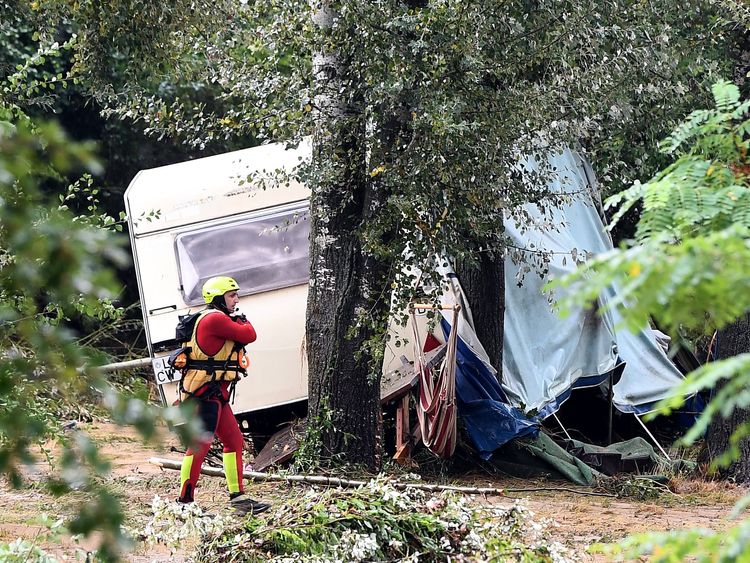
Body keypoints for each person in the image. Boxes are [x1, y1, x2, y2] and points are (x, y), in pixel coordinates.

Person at [177, 276, 270, 515]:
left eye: (236, 295)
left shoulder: (218, 317)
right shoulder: (215, 319)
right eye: (232, 295)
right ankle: (185, 502)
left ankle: (238, 497)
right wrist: (242, 320)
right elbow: (249, 334)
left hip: (215, 393)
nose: (236, 299)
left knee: (234, 442)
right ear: (218, 299)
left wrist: (238, 319)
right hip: (203, 394)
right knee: (200, 444)